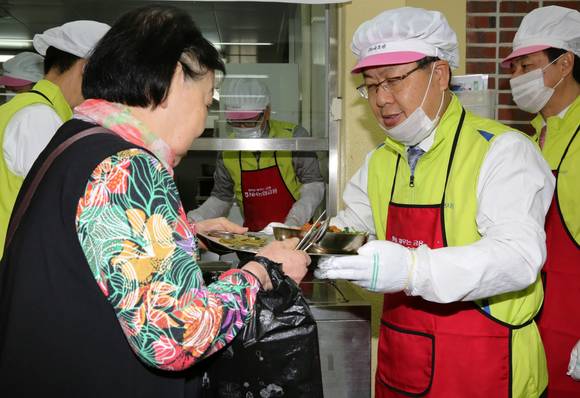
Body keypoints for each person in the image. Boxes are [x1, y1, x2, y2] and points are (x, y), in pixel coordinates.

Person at [0, 5, 309, 397]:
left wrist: (185, 234)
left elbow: (93, 250)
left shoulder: (76, 139)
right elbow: (177, 336)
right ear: (175, 77)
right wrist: (264, 270)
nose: (203, 121)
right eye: (206, 100)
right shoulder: (129, 166)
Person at [314, 7, 554, 397]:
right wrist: (296, 241)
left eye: (393, 80)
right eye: (371, 86)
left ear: (439, 75)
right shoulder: (381, 160)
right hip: (401, 367)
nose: (381, 99)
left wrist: (412, 270)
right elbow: (352, 227)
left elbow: (518, 257)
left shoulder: (503, 151)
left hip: (485, 371)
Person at [501, 6, 580, 396]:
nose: (515, 78)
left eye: (525, 66)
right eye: (514, 69)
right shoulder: (531, 141)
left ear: (564, 63)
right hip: (535, 325)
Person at [0, 20, 109, 254]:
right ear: (86, 68)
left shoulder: (31, 109)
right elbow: (59, 210)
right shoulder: (39, 118)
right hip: (13, 265)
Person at [187, 77, 325, 232]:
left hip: (293, 234)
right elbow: (221, 197)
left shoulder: (293, 137)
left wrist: (292, 222)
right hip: (252, 238)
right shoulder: (229, 149)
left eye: (250, 121)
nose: (243, 127)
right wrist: (194, 218)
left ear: (266, 112)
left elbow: (313, 185)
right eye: (237, 122)